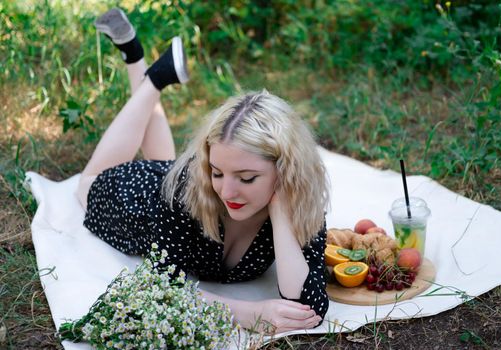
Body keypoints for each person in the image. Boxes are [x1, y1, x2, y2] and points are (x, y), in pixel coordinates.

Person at [76, 8, 330, 334]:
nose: (226, 192)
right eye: (217, 172)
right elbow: (160, 287)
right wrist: (247, 313)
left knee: (167, 161)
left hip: (170, 186)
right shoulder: (189, 190)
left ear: (286, 171)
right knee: (87, 182)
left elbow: (308, 305)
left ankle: (143, 62)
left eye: (247, 178)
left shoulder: (300, 204)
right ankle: (153, 78)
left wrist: (280, 210)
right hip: (129, 195)